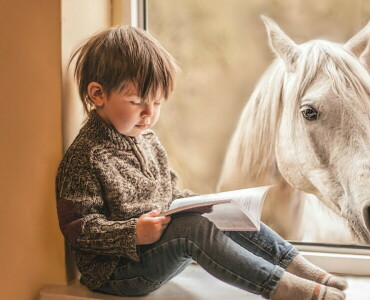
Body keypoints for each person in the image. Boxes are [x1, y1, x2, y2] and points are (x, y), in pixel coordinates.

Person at [56, 25, 348, 300]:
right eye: (136, 102)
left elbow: (169, 194)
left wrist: (210, 205)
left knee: (226, 211)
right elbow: (77, 228)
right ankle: (280, 287)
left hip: (159, 253)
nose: (149, 114)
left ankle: (298, 266)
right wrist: (133, 233)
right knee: (193, 230)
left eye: (157, 103)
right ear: (98, 94)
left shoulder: (147, 140)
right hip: (118, 273)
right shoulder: (86, 155)